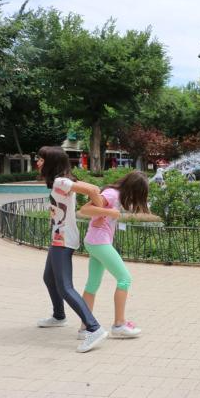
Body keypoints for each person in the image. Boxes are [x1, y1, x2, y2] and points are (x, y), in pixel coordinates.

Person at [35, 146, 108, 353]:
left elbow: (93, 189)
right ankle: (59, 316)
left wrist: (100, 211)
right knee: (49, 279)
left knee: (65, 287)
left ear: (51, 162)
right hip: (59, 237)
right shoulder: (60, 181)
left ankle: (93, 328)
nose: (38, 162)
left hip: (63, 239)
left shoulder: (61, 181)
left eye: (41, 159)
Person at [77, 171, 150, 340]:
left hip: (95, 241)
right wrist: (111, 213)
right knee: (124, 278)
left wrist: (105, 214)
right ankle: (119, 324)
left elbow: (95, 211)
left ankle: (85, 328)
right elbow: (85, 209)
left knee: (92, 285)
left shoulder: (116, 195)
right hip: (99, 242)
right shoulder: (112, 194)